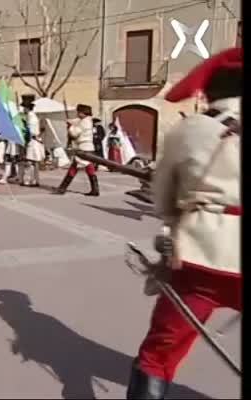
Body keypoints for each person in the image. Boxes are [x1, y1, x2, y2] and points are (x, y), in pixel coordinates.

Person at [126, 47, 241, 399]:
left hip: (202, 258)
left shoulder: (191, 129)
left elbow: (161, 198)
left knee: (159, 354)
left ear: (212, 92)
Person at [53, 104, 99, 196]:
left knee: (75, 167)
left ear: (83, 112)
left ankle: (62, 188)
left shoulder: (84, 122)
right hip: (87, 147)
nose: (77, 114)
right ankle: (95, 189)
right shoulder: (87, 120)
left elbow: (75, 133)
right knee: (87, 167)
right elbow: (76, 123)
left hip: (84, 147)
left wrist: (70, 127)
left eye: (79, 112)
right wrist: (70, 123)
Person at [21, 95, 45, 187]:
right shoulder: (32, 116)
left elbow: (30, 131)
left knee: (30, 162)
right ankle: (34, 180)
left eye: (24, 108)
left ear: (27, 108)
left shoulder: (31, 117)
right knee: (34, 162)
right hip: (35, 140)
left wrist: (24, 130)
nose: (23, 109)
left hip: (33, 141)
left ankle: (28, 180)